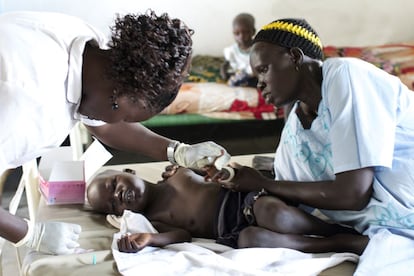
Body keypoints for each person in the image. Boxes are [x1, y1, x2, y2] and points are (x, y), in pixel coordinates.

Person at [0, 10, 230, 255]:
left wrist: (177, 151)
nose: (123, 123)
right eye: (127, 118)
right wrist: (29, 233)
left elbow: (108, 124)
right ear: (118, 97)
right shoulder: (23, 106)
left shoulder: (92, 49)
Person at [219, 18, 414, 263]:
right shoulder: (294, 126)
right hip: (369, 222)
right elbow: (292, 192)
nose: (259, 83)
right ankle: (344, 238)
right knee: (267, 216)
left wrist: (262, 183)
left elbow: (353, 194)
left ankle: (337, 240)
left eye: (263, 69)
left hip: (405, 203)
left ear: (295, 57)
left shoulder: (346, 74)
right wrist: (229, 178)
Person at [86, 166, 368, 254]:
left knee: (275, 214)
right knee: (251, 242)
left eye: (114, 184)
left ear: (129, 170)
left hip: (246, 202)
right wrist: (151, 239)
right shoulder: (154, 219)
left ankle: (330, 229)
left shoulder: (178, 173)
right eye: (114, 204)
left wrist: (212, 169)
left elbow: (217, 168)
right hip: (232, 230)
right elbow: (182, 235)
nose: (119, 195)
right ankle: (331, 244)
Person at [220, 13, 257, 87]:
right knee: (234, 79)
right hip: (238, 74)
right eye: (237, 33)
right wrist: (223, 72)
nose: (241, 37)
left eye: (246, 32)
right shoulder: (232, 50)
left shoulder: (257, 48)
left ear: (253, 31)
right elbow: (226, 63)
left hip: (254, 75)